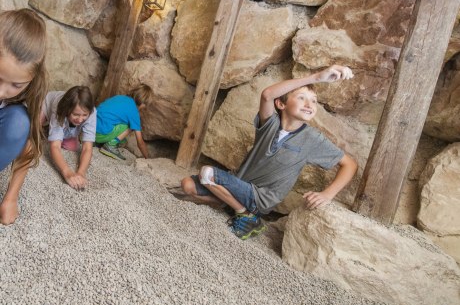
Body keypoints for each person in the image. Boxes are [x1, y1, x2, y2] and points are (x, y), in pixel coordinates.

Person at [181, 65, 358, 240]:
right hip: (240, 183)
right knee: (187, 185)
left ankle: (246, 216)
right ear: (281, 104)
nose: (309, 104)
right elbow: (267, 95)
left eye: (313, 100)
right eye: (302, 98)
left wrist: (327, 194)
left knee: (207, 173)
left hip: (261, 198)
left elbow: (349, 164)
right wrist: (316, 78)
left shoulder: (313, 139)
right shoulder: (269, 124)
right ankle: (232, 204)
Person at [0, 9, 48, 225]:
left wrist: (11, 199)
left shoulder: (33, 92)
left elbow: (29, 145)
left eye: (16, 85)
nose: (1, 92)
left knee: (20, 123)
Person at [41, 86, 96, 190]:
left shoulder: (92, 113)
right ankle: (49, 127)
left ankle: (53, 130)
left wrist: (81, 173)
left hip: (68, 123)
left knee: (71, 146)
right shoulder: (59, 108)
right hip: (47, 104)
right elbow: (55, 146)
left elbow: (87, 148)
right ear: (67, 110)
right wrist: (67, 173)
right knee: (33, 130)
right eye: (76, 114)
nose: (80, 119)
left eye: (85, 115)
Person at [95, 85, 153, 160]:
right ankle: (110, 145)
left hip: (90, 129)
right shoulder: (134, 112)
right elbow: (140, 143)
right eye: (146, 105)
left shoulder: (120, 97)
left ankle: (97, 142)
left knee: (123, 141)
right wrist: (148, 158)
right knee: (131, 126)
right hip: (100, 134)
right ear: (142, 104)